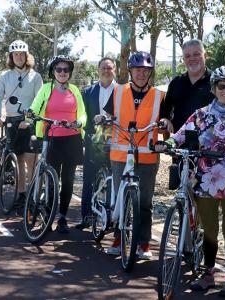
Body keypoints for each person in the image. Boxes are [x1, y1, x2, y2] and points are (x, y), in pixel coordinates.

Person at [157, 66, 225, 297]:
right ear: (214, 89)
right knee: (209, 230)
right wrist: (166, 145)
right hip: (204, 183)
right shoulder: (201, 115)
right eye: (222, 86)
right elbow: (179, 136)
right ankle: (208, 273)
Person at [97, 51, 169, 259]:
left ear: (150, 73)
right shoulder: (118, 91)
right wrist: (102, 120)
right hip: (120, 155)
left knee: (145, 202)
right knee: (120, 199)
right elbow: (108, 117)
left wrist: (165, 125)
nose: (141, 74)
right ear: (130, 71)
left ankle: (143, 243)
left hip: (147, 156)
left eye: (145, 71)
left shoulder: (159, 96)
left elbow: (165, 125)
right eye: (137, 70)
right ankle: (119, 237)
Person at [29, 55, 87, 234]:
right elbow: (35, 106)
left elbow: (83, 113)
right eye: (59, 69)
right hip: (52, 138)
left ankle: (62, 217)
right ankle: (48, 215)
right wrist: (30, 114)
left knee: (68, 180)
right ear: (53, 72)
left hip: (72, 138)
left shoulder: (75, 90)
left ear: (69, 72)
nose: (62, 73)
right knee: (51, 179)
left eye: (66, 70)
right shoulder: (46, 89)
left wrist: (79, 122)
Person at [0, 40, 43, 208]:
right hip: (12, 121)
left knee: (32, 160)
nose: (19, 57)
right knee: (19, 160)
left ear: (27, 56)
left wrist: (29, 121)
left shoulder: (35, 76)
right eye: (16, 55)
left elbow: (39, 101)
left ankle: (32, 195)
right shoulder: (4, 76)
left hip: (29, 121)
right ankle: (21, 195)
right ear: (11, 57)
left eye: (22, 54)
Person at [160, 39, 215, 189]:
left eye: (197, 54)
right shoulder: (176, 83)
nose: (192, 58)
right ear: (183, 59)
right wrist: (166, 122)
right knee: (183, 196)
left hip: (209, 151)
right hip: (182, 149)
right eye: (188, 56)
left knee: (204, 199)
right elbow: (164, 114)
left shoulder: (216, 82)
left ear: (205, 55)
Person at [75, 57, 117, 230]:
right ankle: (86, 216)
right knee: (89, 179)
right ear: (98, 70)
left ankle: (114, 218)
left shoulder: (122, 91)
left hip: (115, 141)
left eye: (109, 68)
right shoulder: (88, 92)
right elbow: (83, 115)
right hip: (94, 141)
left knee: (115, 180)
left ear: (115, 69)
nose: (106, 71)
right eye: (103, 68)